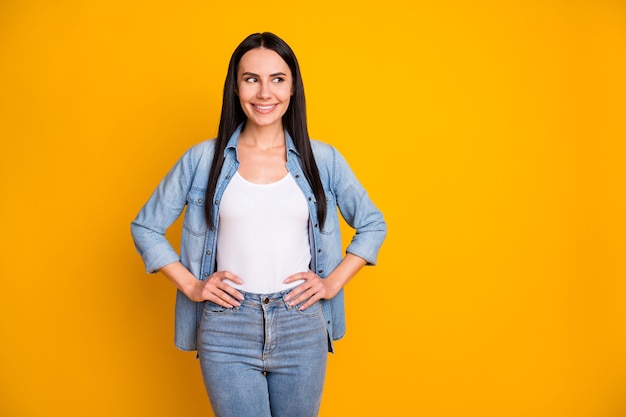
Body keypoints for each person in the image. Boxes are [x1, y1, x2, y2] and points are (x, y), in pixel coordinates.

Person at [130, 32, 386, 417]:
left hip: (302, 326)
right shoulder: (203, 159)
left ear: (293, 87)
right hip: (227, 326)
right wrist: (193, 286)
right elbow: (146, 226)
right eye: (251, 79)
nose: (264, 92)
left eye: (277, 79)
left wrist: (331, 284)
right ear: (235, 87)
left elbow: (372, 224)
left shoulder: (323, 159)